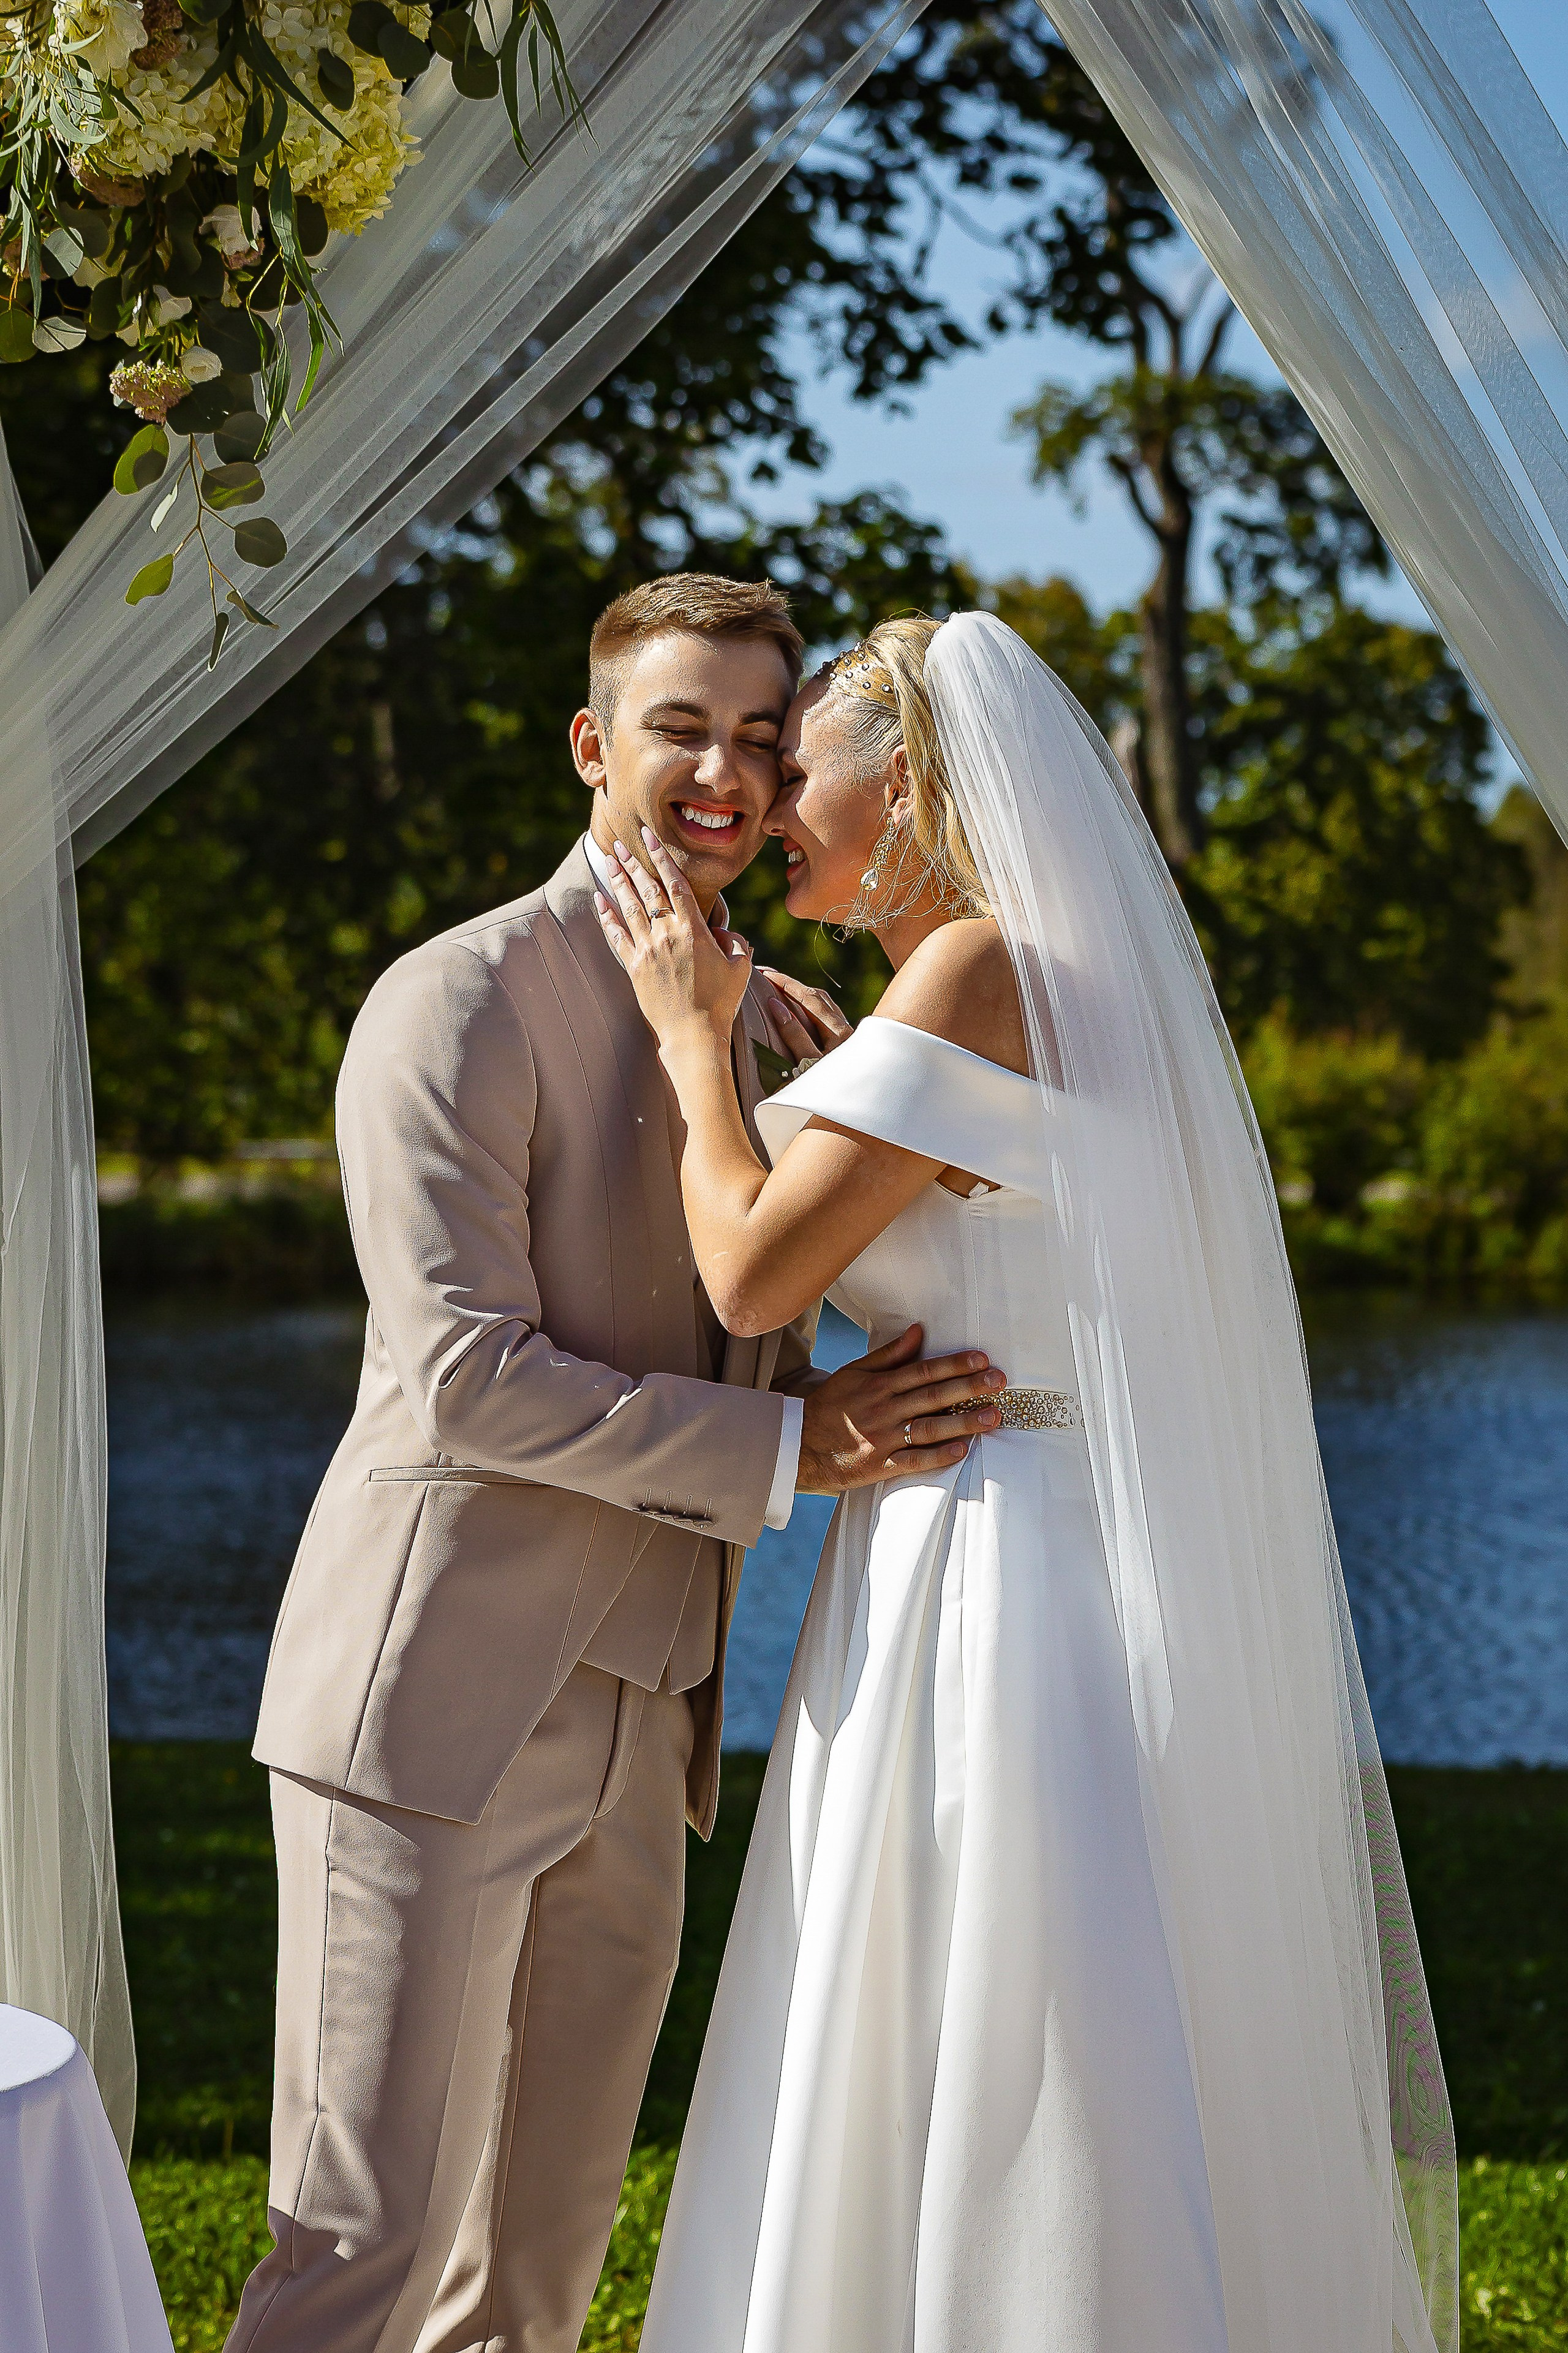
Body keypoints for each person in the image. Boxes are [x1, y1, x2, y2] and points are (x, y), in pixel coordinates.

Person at [594, 611, 1457, 2353]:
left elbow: (757, 1275)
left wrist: (696, 1043)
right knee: (1052, 2001)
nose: (765, 802)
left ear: (904, 782)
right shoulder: (1036, 977)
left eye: (799, 764)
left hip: (985, 1562)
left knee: (1002, 2007)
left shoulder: (972, 969)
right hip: (1005, 1525)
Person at [225, 575, 1006, 2353]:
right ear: (593, 744)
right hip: (427, 1713)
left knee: (536, 2283)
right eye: (681, 727)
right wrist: (796, 1443)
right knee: (361, 2256)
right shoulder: (456, 1001)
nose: (726, 773)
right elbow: (462, 1381)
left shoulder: (772, 1022)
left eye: (761, 736)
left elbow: (762, 1280)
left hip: (655, 1732)